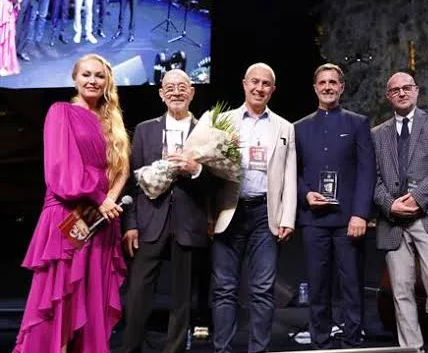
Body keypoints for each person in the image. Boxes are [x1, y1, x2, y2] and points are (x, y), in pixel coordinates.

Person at [13, 53, 130, 352]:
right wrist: (100, 199)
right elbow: (62, 169)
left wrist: (108, 202)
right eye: (86, 74)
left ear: (108, 82)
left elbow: (122, 170)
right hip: (68, 213)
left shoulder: (111, 122)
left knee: (89, 298)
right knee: (63, 296)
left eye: (99, 76)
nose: (93, 80)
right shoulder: (60, 112)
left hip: (98, 219)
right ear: (75, 78)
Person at [120, 69, 213, 353]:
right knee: (137, 292)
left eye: (182, 86)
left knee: (182, 297)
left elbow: (217, 181)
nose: (176, 92)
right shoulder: (145, 129)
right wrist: (131, 224)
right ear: (161, 94)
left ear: (192, 92)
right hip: (150, 220)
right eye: (170, 87)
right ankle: (131, 348)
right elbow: (132, 181)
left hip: (188, 222)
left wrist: (196, 170)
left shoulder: (207, 132)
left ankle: (174, 349)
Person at [372, 71, 428, 353]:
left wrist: (416, 199)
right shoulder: (377, 134)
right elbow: (372, 178)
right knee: (400, 290)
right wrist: (390, 205)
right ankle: (411, 349)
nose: (401, 92)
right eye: (395, 90)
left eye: (406, 87)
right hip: (393, 221)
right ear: (388, 96)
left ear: (417, 90)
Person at [211, 62, 297, 353]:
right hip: (229, 213)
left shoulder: (284, 127)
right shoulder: (222, 121)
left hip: (265, 215)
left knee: (262, 289)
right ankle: (222, 350)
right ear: (244, 84)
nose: (259, 88)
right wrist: (209, 214)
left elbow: (289, 175)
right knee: (224, 288)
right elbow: (210, 172)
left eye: (265, 84)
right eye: (255, 82)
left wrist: (287, 217)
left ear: (273, 90)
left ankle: (258, 350)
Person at [294, 63, 376, 349]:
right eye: (322, 82)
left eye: (333, 82)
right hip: (313, 220)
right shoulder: (299, 128)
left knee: (351, 285)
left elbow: (367, 171)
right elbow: (293, 172)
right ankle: (321, 342)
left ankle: (352, 342)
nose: (327, 87)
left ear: (342, 87)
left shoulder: (358, 123)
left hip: (348, 220)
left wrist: (360, 214)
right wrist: (306, 195)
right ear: (315, 88)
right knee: (318, 285)